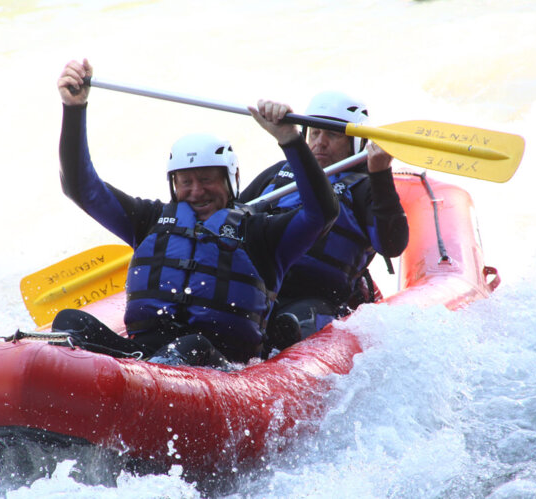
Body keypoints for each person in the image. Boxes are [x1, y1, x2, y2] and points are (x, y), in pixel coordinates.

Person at [52, 58, 339, 368]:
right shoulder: (148, 220)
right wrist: (74, 108)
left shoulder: (262, 234)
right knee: (70, 321)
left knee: (191, 346)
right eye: (185, 182)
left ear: (230, 181)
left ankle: (146, 378)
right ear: (173, 184)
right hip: (145, 358)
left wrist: (291, 139)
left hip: (218, 366)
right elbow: (81, 188)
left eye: (206, 180)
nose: (196, 191)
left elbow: (321, 213)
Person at [238, 90, 409, 351]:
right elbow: (229, 217)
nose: (320, 143)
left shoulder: (365, 187)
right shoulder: (278, 174)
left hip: (315, 299)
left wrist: (381, 173)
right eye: (315, 133)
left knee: (288, 326)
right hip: (259, 287)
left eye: (332, 134)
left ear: (356, 142)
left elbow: (392, 245)